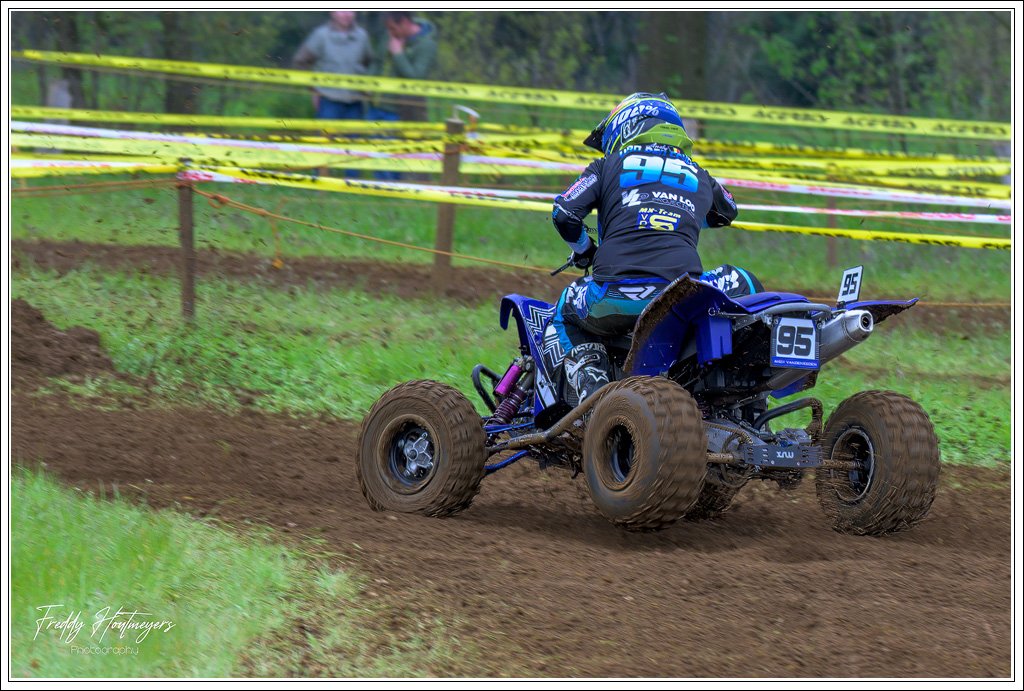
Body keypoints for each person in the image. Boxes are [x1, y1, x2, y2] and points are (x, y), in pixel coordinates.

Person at [546, 92, 746, 407]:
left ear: (624, 127)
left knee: (565, 308)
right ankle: (734, 388)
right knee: (740, 280)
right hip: (682, 295)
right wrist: (680, 211)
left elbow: (564, 213)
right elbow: (728, 210)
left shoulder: (606, 165)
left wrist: (585, 250)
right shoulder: (697, 173)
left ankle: (592, 394)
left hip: (614, 294)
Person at [292, 11, 373, 121]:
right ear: (332, 12)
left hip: (355, 103)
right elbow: (301, 62)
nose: (346, 14)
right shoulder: (320, 35)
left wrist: (365, 88)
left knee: (355, 133)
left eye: (350, 10)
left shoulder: (362, 36)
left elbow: (369, 64)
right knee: (326, 132)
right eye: (342, 10)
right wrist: (314, 90)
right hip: (328, 101)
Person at [371, 11, 438, 122]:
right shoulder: (390, 34)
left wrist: (398, 54)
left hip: (400, 110)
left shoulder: (427, 45)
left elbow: (417, 78)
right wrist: (368, 82)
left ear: (404, 22)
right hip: (375, 104)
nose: (390, 33)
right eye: (388, 29)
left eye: (393, 28)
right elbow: (377, 61)